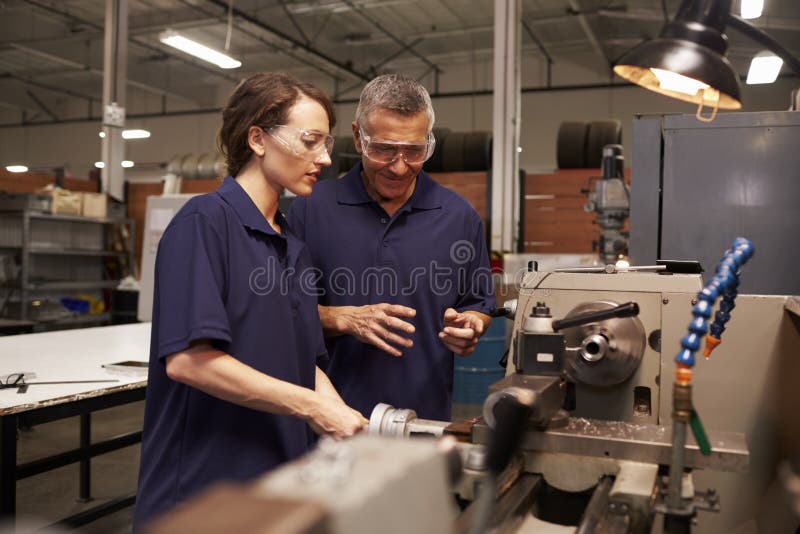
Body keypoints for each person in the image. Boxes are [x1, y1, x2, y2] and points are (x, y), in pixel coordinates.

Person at [134, 72, 366, 528]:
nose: (323, 158)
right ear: (258, 139)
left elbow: (302, 362)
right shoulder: (204, 224)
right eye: (310, 141)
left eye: (325, 144)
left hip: (277, 482)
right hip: (203, 492)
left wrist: (342, 416)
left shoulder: (291, 242)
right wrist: (313, 408)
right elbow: (190, 362)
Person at [288, 74, 494, 422]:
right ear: (358, 137)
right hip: (328, 420)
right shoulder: (311, 209)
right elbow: (282, 311)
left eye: (414, 151)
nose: (399, 167)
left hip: (424, 422)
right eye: (384, 149)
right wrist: (340, 318)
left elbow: (478, 303)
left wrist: (471, 325)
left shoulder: (459, 217)